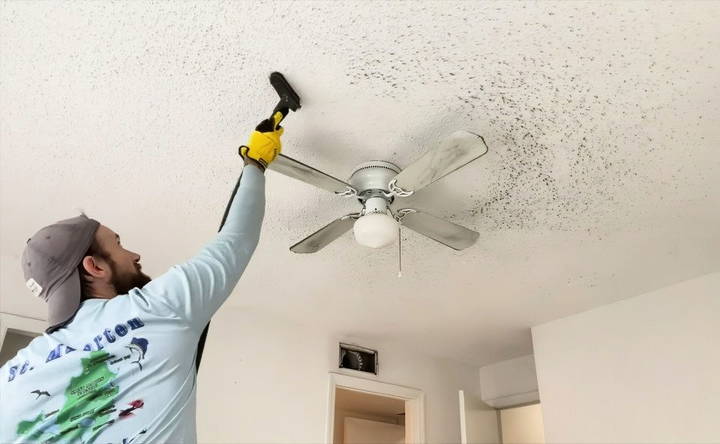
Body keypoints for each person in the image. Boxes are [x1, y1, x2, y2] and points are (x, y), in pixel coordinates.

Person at [0, 113, 284, 443]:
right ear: (95, 267)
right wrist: (256, 162)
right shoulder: (156, 308)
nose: (134, 255)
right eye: (118, 244)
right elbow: (235, 240)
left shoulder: (9, 378)